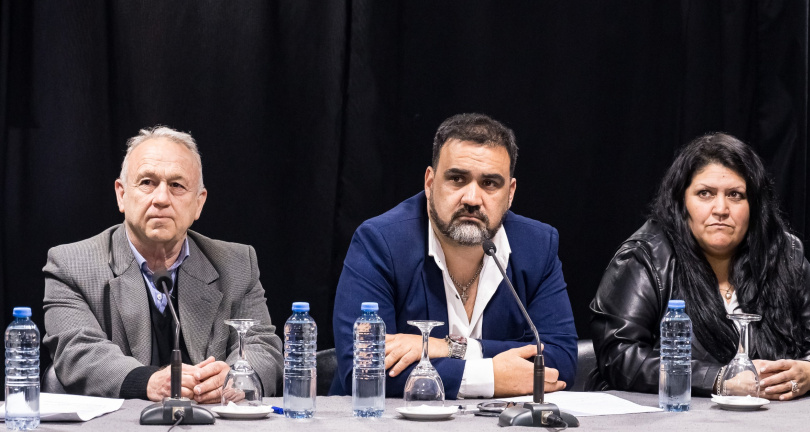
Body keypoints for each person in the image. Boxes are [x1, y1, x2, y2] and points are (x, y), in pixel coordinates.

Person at [330, 113, 578, 398]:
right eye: (457, 179)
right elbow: (363, 367)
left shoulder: (537, 246)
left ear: (510, 193)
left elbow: (562, 361)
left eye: (490, 184)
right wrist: (489, 377)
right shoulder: (380, 242)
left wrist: (448, 348)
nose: (472, 199)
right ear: (430, 183)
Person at [590, 133, 810, 400]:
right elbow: (618, 356)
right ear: (682, 203)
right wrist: (720, 380)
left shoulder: (785, 253)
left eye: (735, 195)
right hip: (672, 423)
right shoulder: (645, 258)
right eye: (705, 194)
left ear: (754, 206)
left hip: (775, 423)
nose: (721, 209)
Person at [43, 126, 282, 401]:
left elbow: (263, 347)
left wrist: (232, 378)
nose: (161, 199)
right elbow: (77, 351)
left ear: (198, 204)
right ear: (122, 195)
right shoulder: (71, 265)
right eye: (147, 182)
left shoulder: (238, 265)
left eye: (177, 186)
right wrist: (148, 382)